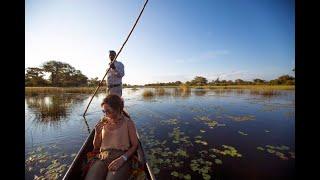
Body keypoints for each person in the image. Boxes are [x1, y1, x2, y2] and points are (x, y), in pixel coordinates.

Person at [84, 94, 138, 180]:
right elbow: (96, 146)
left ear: (118, 109)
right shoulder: (103, 122)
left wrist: (123, 159)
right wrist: (97, 133)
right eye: (104, 111)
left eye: (108, 111)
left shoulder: (128, 123)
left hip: (121, 155)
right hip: (102, 156)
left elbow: (135, 145)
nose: (106, 114)